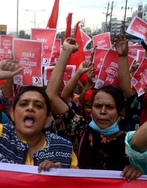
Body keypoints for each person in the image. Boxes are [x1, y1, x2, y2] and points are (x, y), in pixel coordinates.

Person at [45, 37, 141, 180]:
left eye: (109, 107)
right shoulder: (80, 130)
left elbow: (127, 91)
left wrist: (138, 170)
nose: (102, 111)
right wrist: (67, 51)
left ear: (121, 113)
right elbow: (52, 95)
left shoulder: (133, 141)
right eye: (97, 106)